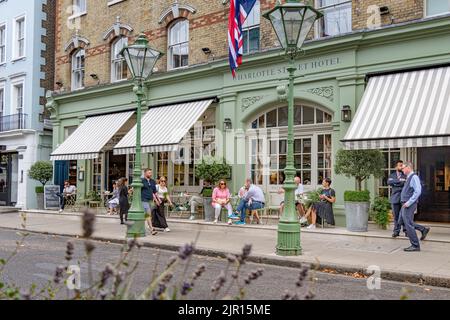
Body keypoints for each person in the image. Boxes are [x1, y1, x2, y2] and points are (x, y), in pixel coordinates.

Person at [399, 161, 430, 252]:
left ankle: (415, 245)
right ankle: (423, 229)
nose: (402, 170)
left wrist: (409, 202)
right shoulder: (408, 177)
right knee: (403, 221)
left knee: (407, 224)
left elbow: (418, 191)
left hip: (408, 204)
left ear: (408, 168)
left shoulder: (414, 177)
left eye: (403, 168)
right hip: (405, 204)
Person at [388, 160, 408, 238]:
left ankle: (406, 231)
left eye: (402, 165)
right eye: (400, 165)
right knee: (396, 216)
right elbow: (389, 182)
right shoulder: (392, 175)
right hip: (394, 198)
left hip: (403, 198)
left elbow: (405, 183)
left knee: (404, 215)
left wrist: (395, 182)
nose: (402, 167)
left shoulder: (405, 175)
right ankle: (396, 231)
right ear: (396, 167)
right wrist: (399, 181)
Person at [142, 168, 158, 235]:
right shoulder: (141, 181)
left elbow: (154, 192)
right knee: (148, 214)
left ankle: (145, 227)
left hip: (150, 200)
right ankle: (151, 229)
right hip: (143, 200)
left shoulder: (153, 181)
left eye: (151, 173)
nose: (150, 174)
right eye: (149, 173)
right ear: (145, 173)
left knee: (148, 215)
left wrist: (157, 200)